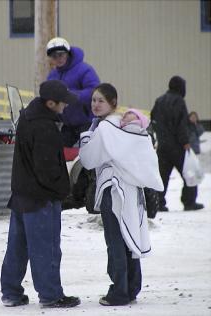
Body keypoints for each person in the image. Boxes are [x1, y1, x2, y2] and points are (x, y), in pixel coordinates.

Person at [79, 83, 164, 306]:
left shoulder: (105, 128)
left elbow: (88, 159)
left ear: (113, 103)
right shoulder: (125, 124)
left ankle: (119, 292)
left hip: (113, 190)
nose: (95, 105)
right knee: (129, 238)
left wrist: (86, 138)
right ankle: (132, 287)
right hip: (132, 190)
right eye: (93, 100)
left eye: (101, 101)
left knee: (115, 241)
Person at [0, 80, 81, 309]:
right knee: (46, 248)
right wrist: (62, 191)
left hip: (21, 194)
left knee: (17, 247)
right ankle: (51, 295)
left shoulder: (27, 116)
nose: (65, 106)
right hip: (40, 197)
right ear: (51, 103)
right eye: (63, 103)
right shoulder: (44, 126)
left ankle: (11, 292)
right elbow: (47, 168)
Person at [150, 76, 204, 211]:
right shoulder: (179, 101)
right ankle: (189, 202)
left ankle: (158, 203)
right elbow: (181, 124)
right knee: (188, 173)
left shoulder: (159, 100)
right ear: (181, 87)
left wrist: (160, 137)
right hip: (178, 146)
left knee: (161, 176)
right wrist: (185, 142)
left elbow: (153, 119)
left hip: (163, 145)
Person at [46, 37, 100, 146]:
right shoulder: (52, 75)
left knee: (87, 153)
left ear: (68, 53)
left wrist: (70, 96)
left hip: (87, 122)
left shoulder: (84, 69)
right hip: (67, 124)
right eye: (54, 56)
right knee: (59, 151)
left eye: (61, 54)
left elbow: (95, 91)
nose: (58, 59)